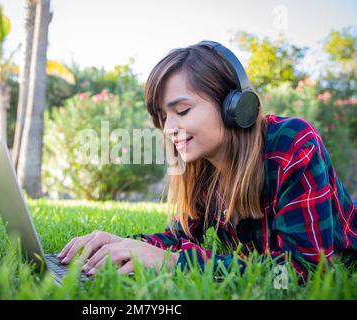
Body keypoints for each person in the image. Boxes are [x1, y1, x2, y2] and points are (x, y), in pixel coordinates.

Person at [57, 41, 357, 284]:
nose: (169, 127)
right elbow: (178, 238)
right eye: (163, 117)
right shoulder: (200, 163)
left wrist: (177, 263)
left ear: (236, 105)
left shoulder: (292, 143)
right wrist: (118, 245)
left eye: (182, 110)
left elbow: (302, 272)